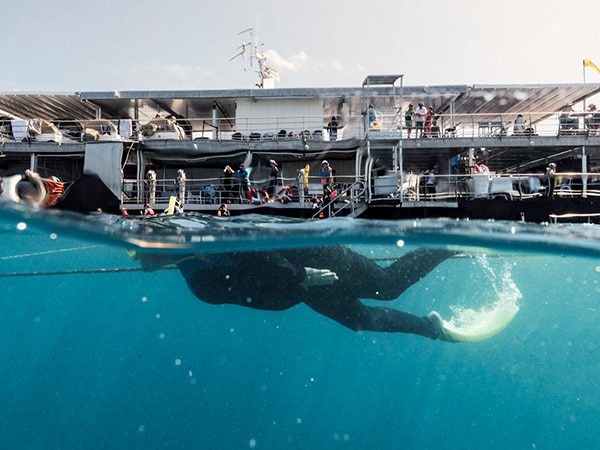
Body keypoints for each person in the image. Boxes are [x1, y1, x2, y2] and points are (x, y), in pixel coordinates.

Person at [133, 246, 458, 341]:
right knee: (362, 321)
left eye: (136, 252)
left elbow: (255, 252)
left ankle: (446, 244)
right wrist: (298, 285)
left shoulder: (201, 254)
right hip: (301, 286)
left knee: (388, 287)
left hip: (317, 259)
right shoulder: (196, 273)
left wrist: (300, 276)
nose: (137, 261)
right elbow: (253, 290)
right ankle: (431, 328)